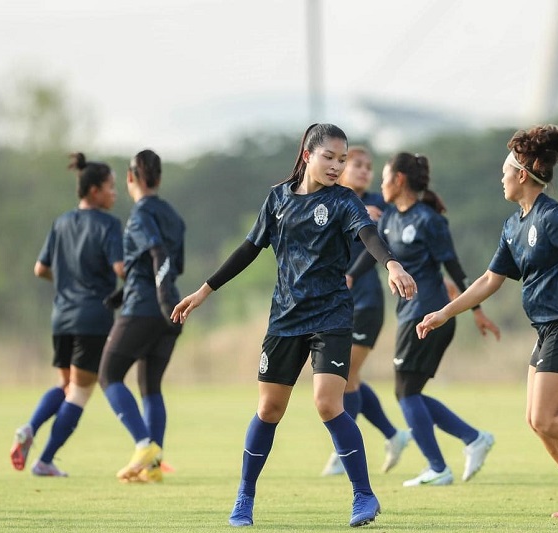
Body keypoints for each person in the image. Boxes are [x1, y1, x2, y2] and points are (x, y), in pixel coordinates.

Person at [170, 124, 417, 528]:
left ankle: (364, 496)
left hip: (332, 315)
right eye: (329, 157)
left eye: (342, 159)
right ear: (307, 155)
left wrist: (391, 264)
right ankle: (244, 499)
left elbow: (368, 234)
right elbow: (248, 249)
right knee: (269, 409)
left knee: (327, 403)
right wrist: (204, 291)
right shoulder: (277, 199)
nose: (337, 166)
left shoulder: (343, 201)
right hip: (285, 319)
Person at [415, 119, 558, 517]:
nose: (500, 179)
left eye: (504, 172)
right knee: (536, 420)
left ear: (521, 175)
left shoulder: (552, 217)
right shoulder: (513, 226)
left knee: (546, 417)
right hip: (546, 330)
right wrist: (444, 313)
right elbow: (489, 280)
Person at [348, 151, 500, 488]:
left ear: (399, 180)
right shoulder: (389, 217)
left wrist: (476, 310)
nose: (381, 185)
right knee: (410, 392)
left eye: (384, 178)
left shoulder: (429, 221)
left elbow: (455, 267)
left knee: (405, 393)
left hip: (430, 313)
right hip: (409, 315)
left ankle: (439, 466)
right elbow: (375, 254)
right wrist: (350, 277)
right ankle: (473, 438)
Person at [10, 153, 124, 477]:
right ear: (94, 191)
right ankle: (44, 458)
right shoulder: (108, 224)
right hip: (93, 317)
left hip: (61, 316)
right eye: (110, 187)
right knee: (81, 391)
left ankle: (30, 428)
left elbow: (40, 268)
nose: (114, 193)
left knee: (64, 384)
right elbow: (120, 269)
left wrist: (67, 281)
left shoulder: (61, 222)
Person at [321, 145, 412, 477]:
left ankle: (343, 450)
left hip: (366, 301)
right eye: (356, 164)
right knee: (350, 376)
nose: (363, 171)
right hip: (334, 302)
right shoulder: (330, 201)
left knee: (346, 375)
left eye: (368, 166)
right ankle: (393, 435)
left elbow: (397, 241)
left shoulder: (381, 204)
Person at [98, 149, 185, 483]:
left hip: (146, 308)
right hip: (170, 310)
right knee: (150, 386)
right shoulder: (174, 216)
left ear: (130, 177)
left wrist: (158, 297)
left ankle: (144, 446)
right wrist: (124, 293)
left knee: (109, 375)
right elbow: (173, 266)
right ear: (159, 177)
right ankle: (152, 467)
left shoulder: (139, 215)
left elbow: (158, 254)